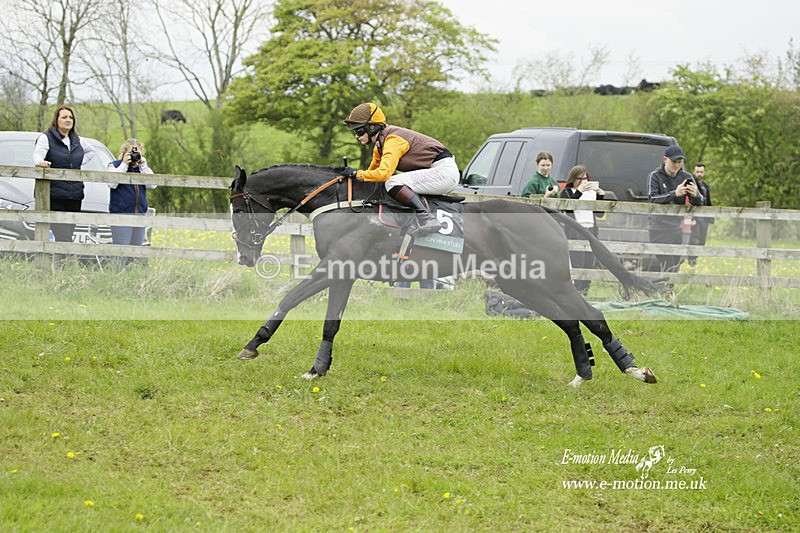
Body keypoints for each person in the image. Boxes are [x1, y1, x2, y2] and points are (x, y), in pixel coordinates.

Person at [341, 103, 459, 236]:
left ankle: (428, 219)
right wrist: (352, 177)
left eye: (359, 131)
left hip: (444, 172)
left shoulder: (393, 140)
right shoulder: (379, 146)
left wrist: (356, 173)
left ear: (372, 127)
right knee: (389, 183)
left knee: (392, 182)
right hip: (437, 172)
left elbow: (383, 174)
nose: (356, 136)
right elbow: (371, 176)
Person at [32, 105, 97, 242]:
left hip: (74, 195)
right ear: (57, 120)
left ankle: (61, 256)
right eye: (64, 117)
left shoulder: (77, 140)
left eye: (71, 117)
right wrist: (40, 162)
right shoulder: (46, 137)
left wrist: (75, 163)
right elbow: (37, 155)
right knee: (64, 236)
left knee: (68, 234)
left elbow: (91, 151)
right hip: (54, 195)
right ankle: (67, 256)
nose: (68, 120)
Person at [647, 145, 704, 273]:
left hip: (676, 227)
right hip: (658, 228)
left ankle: (666, 285)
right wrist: (674, 194)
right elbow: (652, 199)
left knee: (676, 265)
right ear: (665, 159)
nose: (677, 165)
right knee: (668, 264)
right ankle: (666, 286)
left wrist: (695, 195)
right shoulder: (655, 176)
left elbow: (700, 202)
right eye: (674, 162)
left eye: (680, 162)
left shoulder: (686, 177)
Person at [559, 165, 605, 294]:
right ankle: (576, 291)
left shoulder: (592, 194)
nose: (583, 181)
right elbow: (568, 208)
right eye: (579, 178)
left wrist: (600, 197)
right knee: (578, 261)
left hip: (590, 229)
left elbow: (599, 214)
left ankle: (585, 291)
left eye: (585, 178)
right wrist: (579, 191)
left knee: (589, 262)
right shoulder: (567, 192)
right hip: (576, 230)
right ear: (573, 179)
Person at [107, 139, 155, 250]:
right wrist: (124, 164)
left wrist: (143, 165)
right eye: (131, 153)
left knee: (136, 251)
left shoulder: (141, 168)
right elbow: (112, 184)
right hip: (121, 214)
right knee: (121, 250)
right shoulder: (114, 165)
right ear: (124, 152)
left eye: (137, 153)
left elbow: (153, 185)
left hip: (140, 214)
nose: (134, 156)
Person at [688, 162, 713, 266]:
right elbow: (689, 201)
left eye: (701, 172)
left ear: (704, 172)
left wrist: (710, 217)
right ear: (694, 172)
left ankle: (695, 259)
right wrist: (691, 217)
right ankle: (691, 260)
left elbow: (708, 202)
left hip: (704, 217)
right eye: (697, 172)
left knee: (702, 240)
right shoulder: (691, 185)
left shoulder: (705, 186)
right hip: (695, 216)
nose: (699, 174)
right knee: (694, 239)